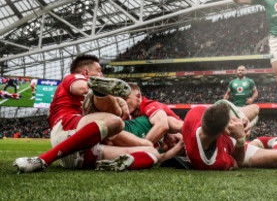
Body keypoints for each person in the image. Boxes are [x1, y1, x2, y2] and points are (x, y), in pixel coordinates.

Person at [13, 55, 168, 173]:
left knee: (152, 153)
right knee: (115, 122)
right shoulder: (71, 78)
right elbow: (80, 88)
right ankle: (43, 159)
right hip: (66, 129)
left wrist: (118, 101)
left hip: (81, 153)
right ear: (86, 72)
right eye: (99, 71)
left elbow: (117, 113)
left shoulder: (97, 103)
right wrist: (95, 86)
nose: (102, 73)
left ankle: (110, 165)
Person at [182, 101, 277, 170]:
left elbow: (219, 106)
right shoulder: (212, 161)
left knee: (255, 109)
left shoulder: (194, 113)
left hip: (219, 133)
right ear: (225, 130)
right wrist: (240, 139)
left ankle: (260, 141)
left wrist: (241, 118)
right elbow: (238, 162)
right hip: (234, 149)